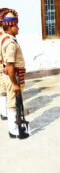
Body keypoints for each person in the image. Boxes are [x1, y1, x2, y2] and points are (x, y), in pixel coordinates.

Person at [2, 9, 29, 139]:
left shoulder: (5, 38)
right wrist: (14, 84)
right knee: (13, 103)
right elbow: (10, 65)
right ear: (11, 26)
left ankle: (15, 127)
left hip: (14, 75)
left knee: (14, 102)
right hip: (14, 76)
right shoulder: (10, 43)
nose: (18, 28)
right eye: (16, 26)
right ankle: (14, 130)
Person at [0, 8, 9, 120]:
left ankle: (3, 111)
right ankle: (4, 113)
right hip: (3, 64)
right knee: (4, 89)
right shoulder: (3, 34)